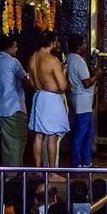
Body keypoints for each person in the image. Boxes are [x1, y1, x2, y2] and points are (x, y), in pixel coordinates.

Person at [28, 32, 69, 168]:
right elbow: (62, 86)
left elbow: (32, 83)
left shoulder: (32, 58)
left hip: (38, 96)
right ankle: (52, 172)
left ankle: (38, 170)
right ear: (52, 42)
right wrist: (63, 72)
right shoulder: (52, 60)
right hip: (51, 99)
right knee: (52, 136)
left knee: (38, 135)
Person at [0, 36, 29, 166]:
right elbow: (26, 81)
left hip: (2, 108)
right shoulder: (13, 62)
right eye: (15, 46)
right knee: (18, 141)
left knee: (7, 143)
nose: (17, 49)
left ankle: (8, 172)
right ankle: (14, 173)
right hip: (14, 108)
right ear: (10, 47)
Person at [65, 34, 98, 168]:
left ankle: (86, 161)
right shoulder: (79, 61)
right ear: (78, 46)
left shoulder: (70, 59)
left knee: (87, 132)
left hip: (78, 98)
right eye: (84, 43)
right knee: (80, 133)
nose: (85, 46)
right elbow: (86, 83)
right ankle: (77, 162)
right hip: (83, 101)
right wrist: (96, 75)